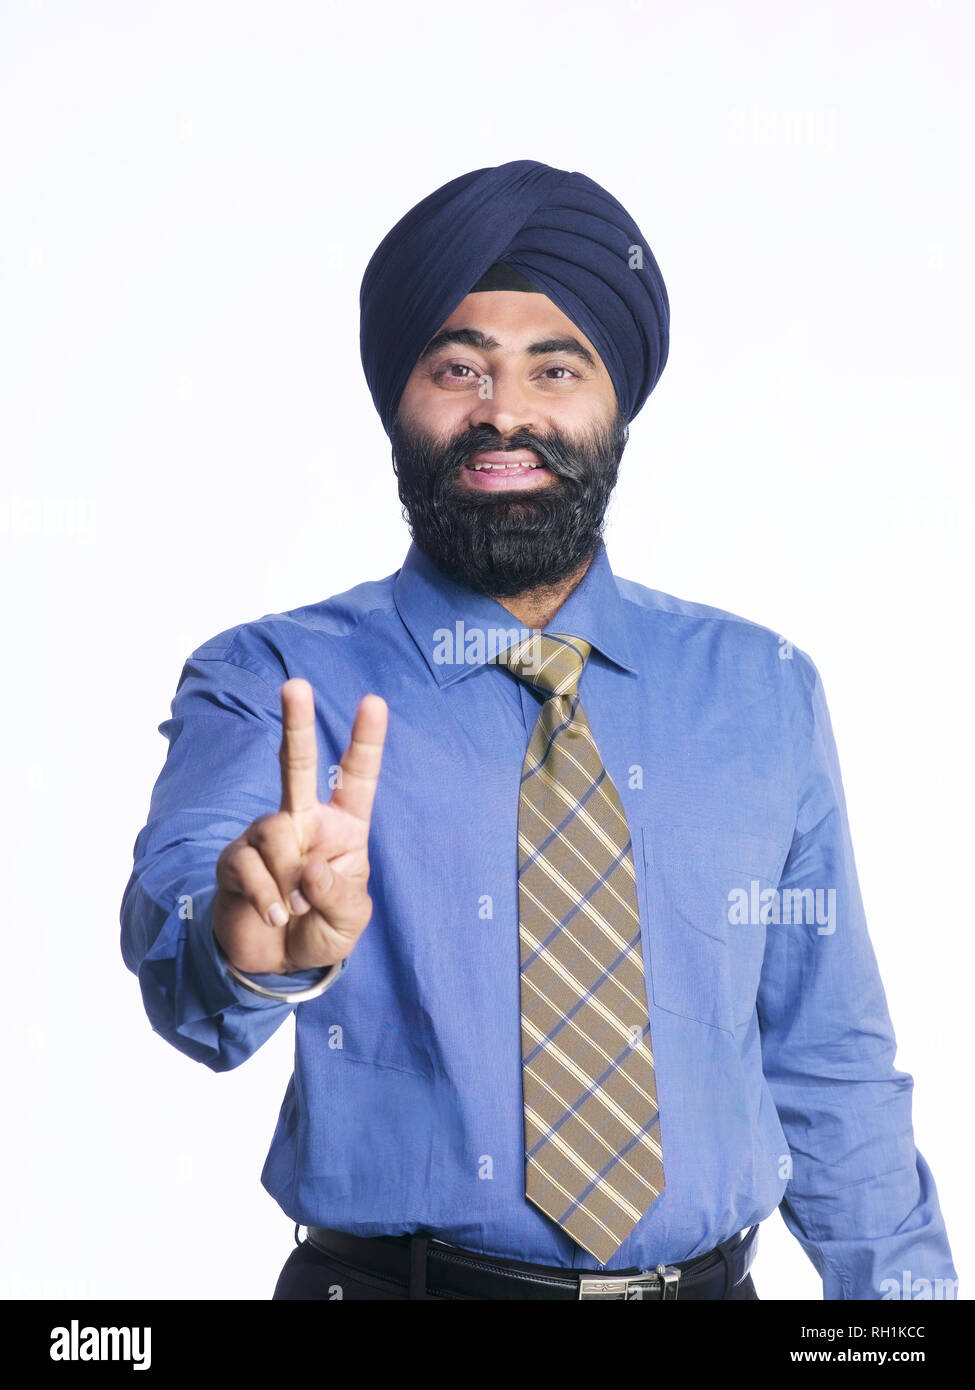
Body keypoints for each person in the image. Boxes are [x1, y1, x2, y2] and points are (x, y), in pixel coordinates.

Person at [121, 158, 957, 1302]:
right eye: (457, 366)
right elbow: (183, 936)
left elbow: (832, 1070)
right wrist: (247, 953)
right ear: (399, 401)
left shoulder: (762, 690)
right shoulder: (275, 679)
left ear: (617, 402)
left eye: (554, 367)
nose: (504, 411)